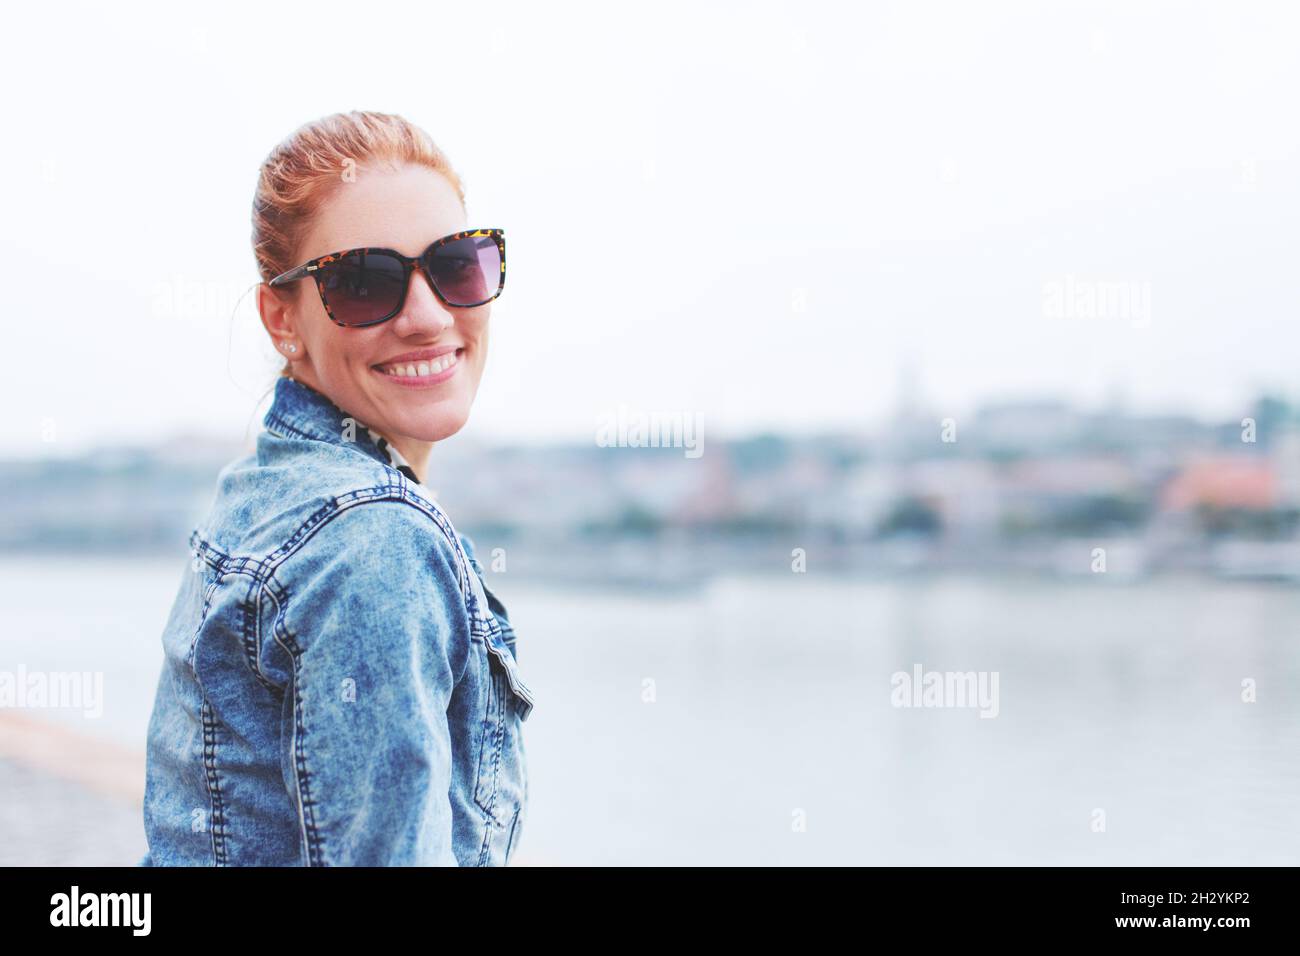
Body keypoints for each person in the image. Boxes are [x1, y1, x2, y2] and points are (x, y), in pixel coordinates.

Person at [139, 110, 534, 866]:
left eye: (457, 266)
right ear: (281, 319)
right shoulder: (371, 540)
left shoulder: (270, 485)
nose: (426, 316)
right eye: (363, 282)